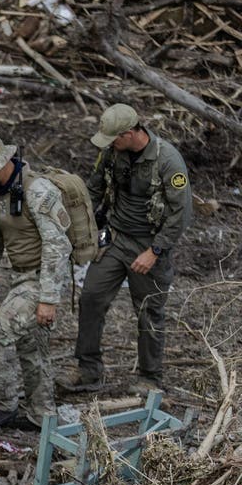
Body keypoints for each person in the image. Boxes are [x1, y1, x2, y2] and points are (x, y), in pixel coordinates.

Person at [57, 103, 191, 393]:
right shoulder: (111, 152)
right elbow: (94, 190)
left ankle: (150, 378)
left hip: (149, 243)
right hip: (115, 238)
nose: (110, 145)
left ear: (131, 133)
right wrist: (81, 228)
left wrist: (154, 251)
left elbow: (181, 214)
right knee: (91, 296)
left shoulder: (168, 160)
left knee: (148, 311)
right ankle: (88, 368)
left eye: (115, 139)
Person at [0, 133, 71, 428]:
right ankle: (42, 415)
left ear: (3, 163)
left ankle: (4, 405)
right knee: (32, 346)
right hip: (20, 276)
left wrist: (48, 298)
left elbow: (57, 246)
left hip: (42, 278)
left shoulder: (38, 192)